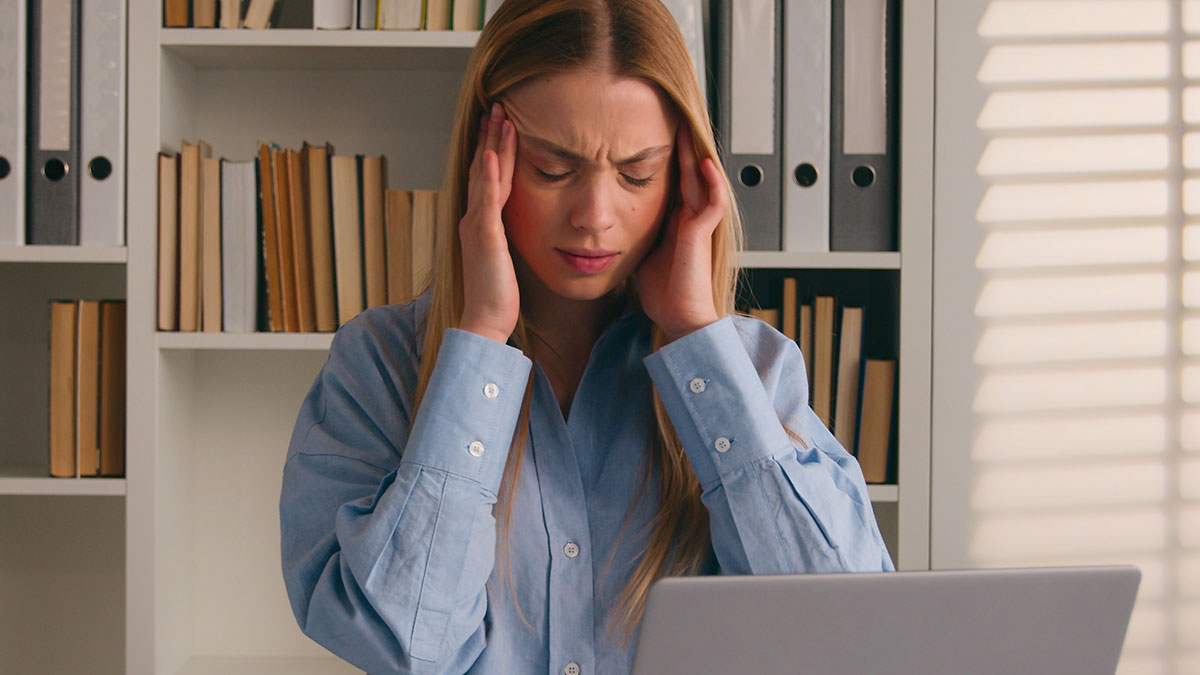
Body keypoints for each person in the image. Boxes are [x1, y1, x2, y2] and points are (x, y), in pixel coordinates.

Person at [279, 0, 894, 673]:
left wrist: (697, 337)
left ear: (685, 176)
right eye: (553, 169)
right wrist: (479, 343)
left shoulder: (751, 370)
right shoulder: (378, 364)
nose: (596, 216)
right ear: (484, 162)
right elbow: (401, 646)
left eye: (637, 174)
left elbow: (843, 631)